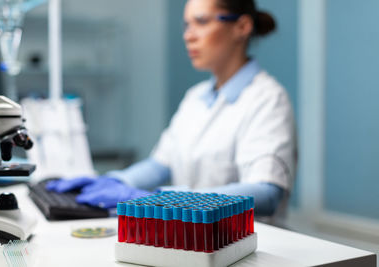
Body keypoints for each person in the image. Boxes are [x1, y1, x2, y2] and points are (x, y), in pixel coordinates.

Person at [47, 0, 297, 219]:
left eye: (201, 21)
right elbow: (160, 164)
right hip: (194, 240)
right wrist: (118, 180)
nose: (188, 35)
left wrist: (161, 199)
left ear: (241, 27)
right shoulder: (196, 97)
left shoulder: (267, 99)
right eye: (186, 25)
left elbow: (266, 193)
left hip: (249, 243)